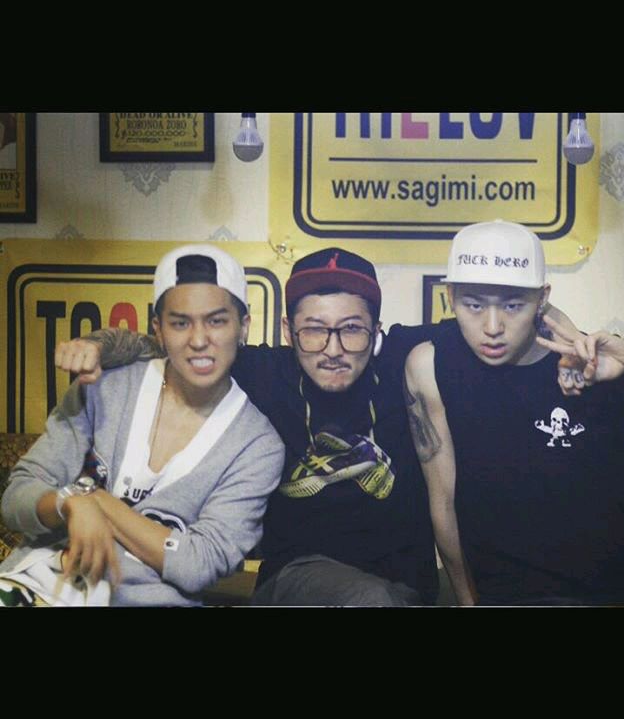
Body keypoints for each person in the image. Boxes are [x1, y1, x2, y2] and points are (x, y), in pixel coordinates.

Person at [52, 246, 576, 606]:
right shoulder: (261, 370)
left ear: (376, 329)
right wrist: (96, 345)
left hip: (401, 591)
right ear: (287, 329)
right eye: (313, 331)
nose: (333, 349)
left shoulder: (402, 358)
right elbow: (162, 343)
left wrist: (578, 338)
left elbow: (504, 316)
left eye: (352, 330)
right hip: (294, 582)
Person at [403, 220, 624, 606]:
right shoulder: (431, 365)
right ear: (451, 295)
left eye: (513, 305)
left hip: (615, 595)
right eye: (474, 304)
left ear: (542, 298)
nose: (493, 327)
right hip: (509, 599)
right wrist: (470, 604)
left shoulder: (596, 364)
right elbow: (443, 501)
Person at [0, 245, 285, 606]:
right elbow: (17, 496)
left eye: (216, 321)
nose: (199, 340)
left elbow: (201, 563)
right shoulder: (104, 387)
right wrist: (67, 505)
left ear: (243, 327)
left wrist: (95, 501)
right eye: (180, 323)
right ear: (158, 330)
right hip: (35, 585)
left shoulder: (257, 445)